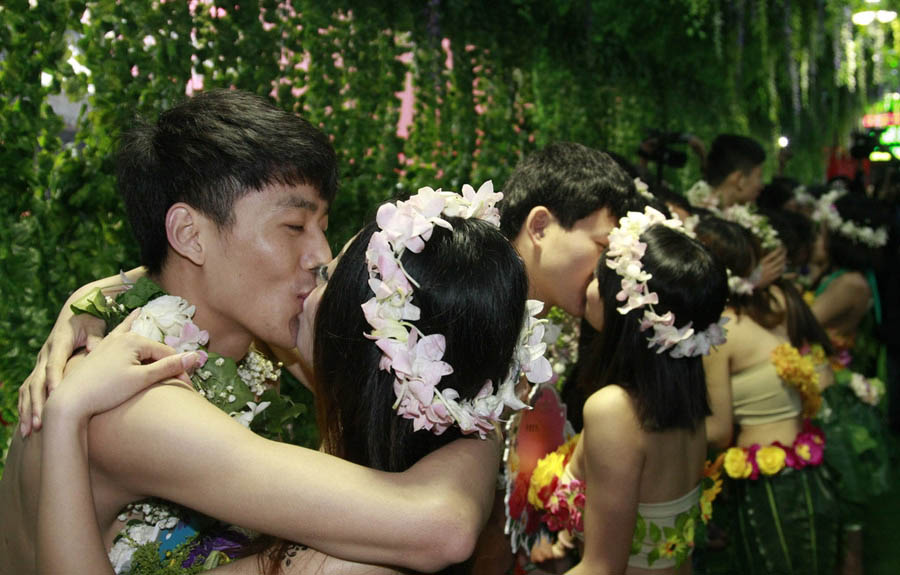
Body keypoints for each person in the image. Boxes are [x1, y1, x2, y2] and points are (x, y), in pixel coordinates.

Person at [0, 89, 504, 574]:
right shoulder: (136, 396)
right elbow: (440, 527)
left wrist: (88, 298)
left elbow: (384, 389)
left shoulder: (251, 339)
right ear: (190, 236)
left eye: (323, 226)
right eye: (293, 226)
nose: (320, 256)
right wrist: (481, 403)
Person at [35, 184, 551, 574]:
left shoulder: (346, 557)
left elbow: (449, 529)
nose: (316, 262)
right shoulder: (407, 434)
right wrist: (92, 301)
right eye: (295, 226)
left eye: (331, 276)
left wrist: (65, 415)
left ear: (361, 340)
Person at [526, 207, 729, 573]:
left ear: (624, 306)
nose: (588, 282)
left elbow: (602, 567)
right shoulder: (681, 396)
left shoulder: (615, 409)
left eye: (598, 277)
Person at [693, 216, 841, 575]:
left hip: (770, 483)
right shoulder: (771, 307)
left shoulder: (720, 333)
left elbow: (719, 432)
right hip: (805, 471)